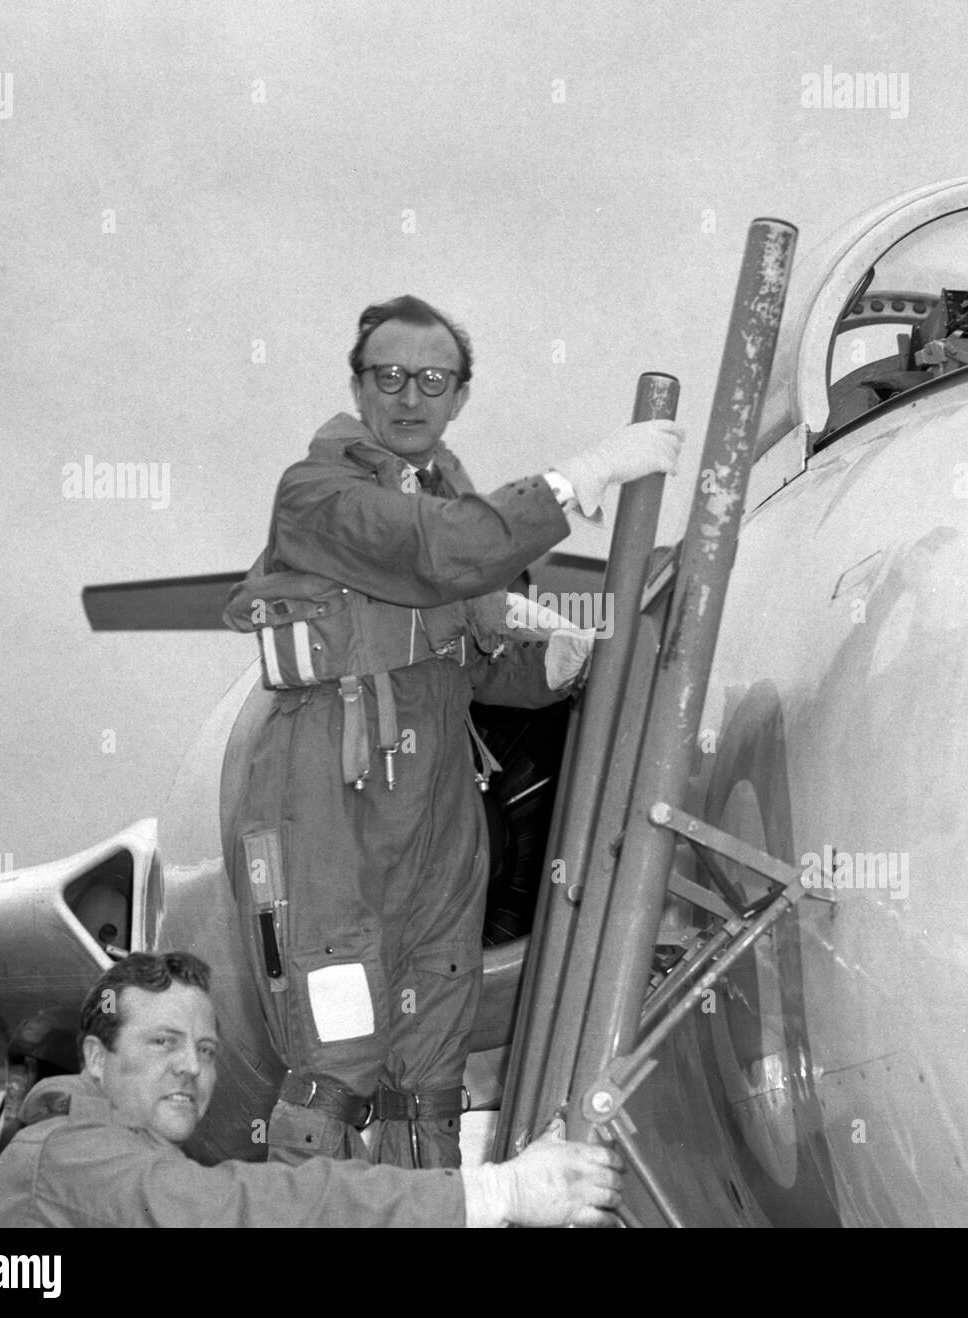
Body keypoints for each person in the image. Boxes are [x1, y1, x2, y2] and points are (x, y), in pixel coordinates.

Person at [223, 295, 682, 1170]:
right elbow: (440, 554)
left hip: (437, 808)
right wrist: (576, 481)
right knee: (335, 1054)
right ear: (357, 387)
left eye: (433, 379)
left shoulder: (449, 503)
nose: (409, 396)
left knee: (429, 1064)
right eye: (388, 376)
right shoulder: (318, 495)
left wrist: (559, 662)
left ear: (460, 395)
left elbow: (474, 663)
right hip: (330, 798)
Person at [0, 952, 625, 1228]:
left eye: (205, 1050)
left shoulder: (113, 1160)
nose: (190, 1069)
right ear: (95, 1057)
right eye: (161, 1043)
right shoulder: (64, 1154)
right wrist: (496, 1192)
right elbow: (245, 1210)